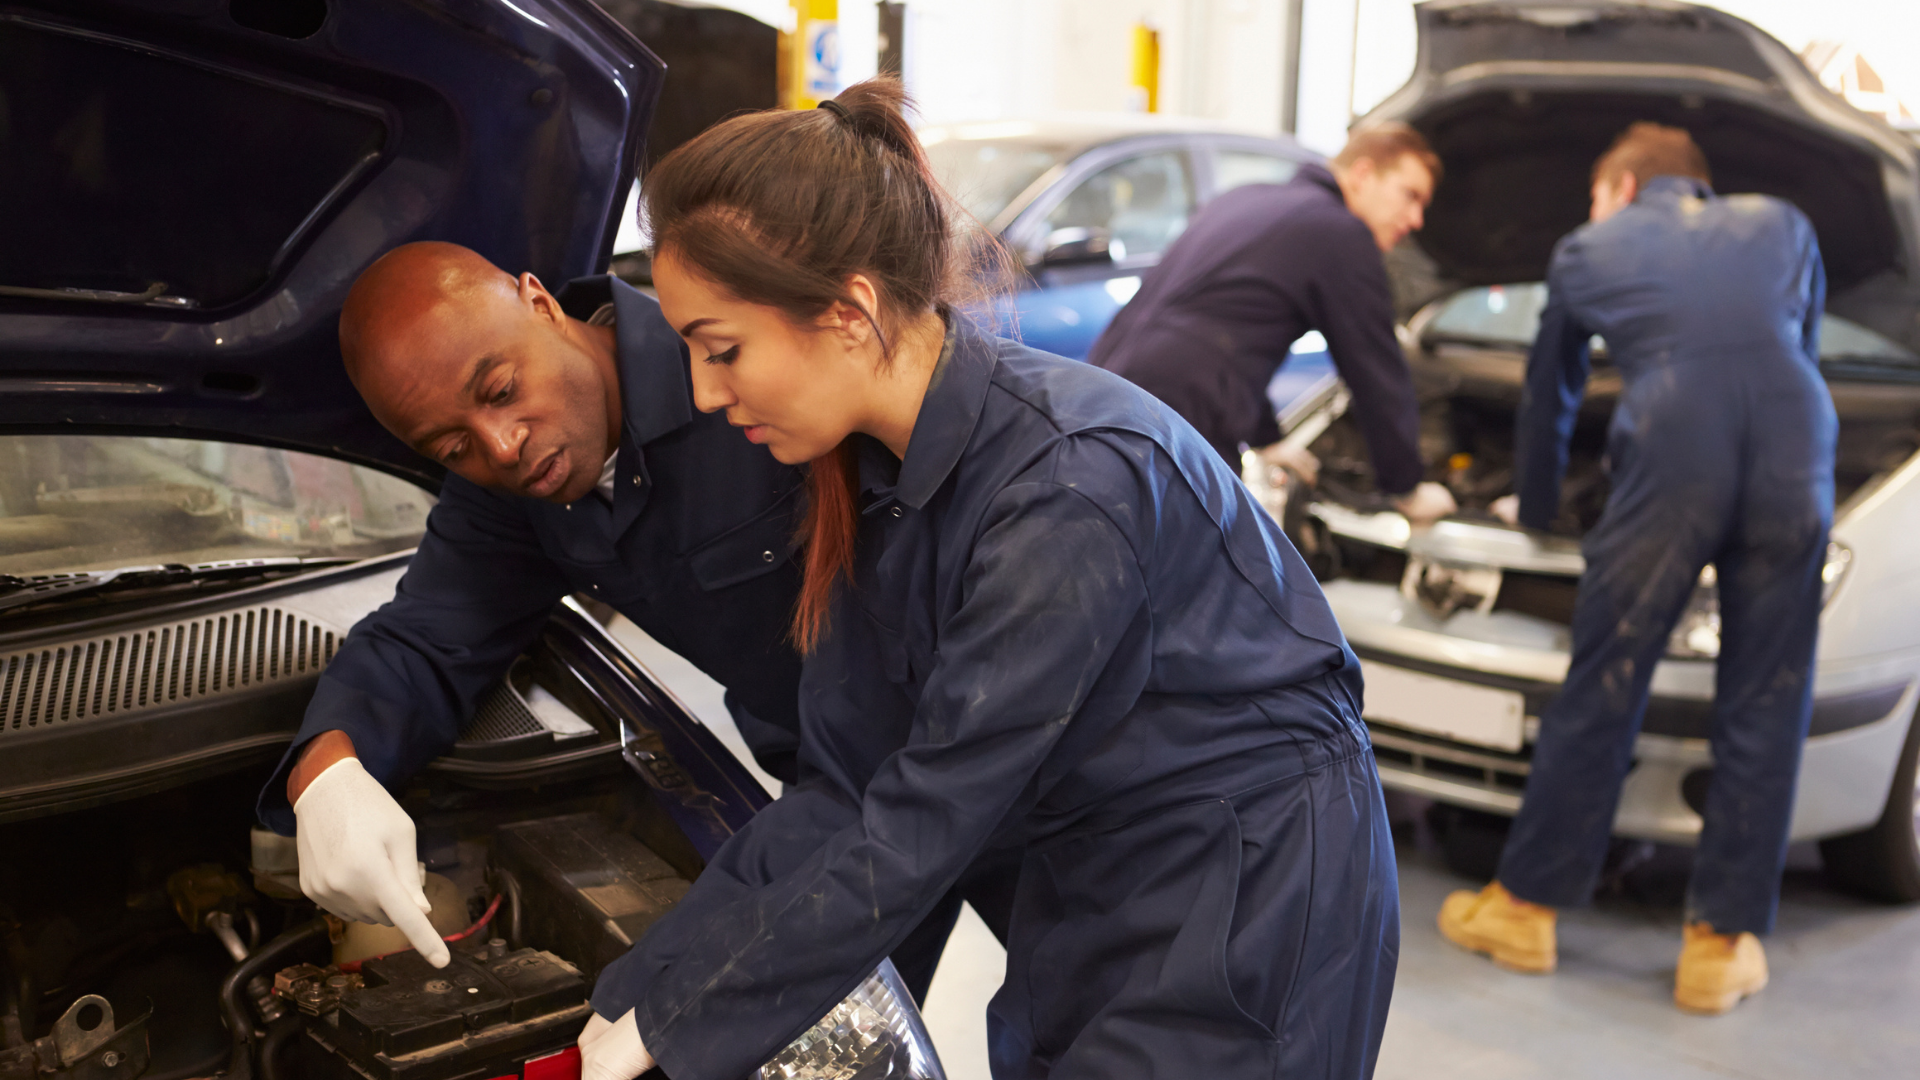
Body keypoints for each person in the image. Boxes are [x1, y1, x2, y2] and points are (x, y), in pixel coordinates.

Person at [572, 78, 1399, 1080]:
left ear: (847, 312)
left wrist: (681, 1023)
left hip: (1245, 886)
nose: (703, 392)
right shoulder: (875, 483)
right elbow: (846, 788)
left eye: (722, 349)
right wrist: (640, 993)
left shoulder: (1066, 487)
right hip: (1091, 872)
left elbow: (924, 815)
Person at [257, 242, 1015, 1001]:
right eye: (454, 447)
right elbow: (425, 636)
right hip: (844, 800)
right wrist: (328, 772)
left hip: (1019, 744)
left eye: (501, 388)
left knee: (1082, 1035)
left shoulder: (740, 367)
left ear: (540, 303)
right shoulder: (516, 499)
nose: (502, 446)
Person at [1444, 123, 1835, 1015]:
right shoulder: (1782, 222)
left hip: (1674, 447)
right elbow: (1798, 348)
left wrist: (1539, 513)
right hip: (1797, 446)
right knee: (1769, 692)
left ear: (1620, 188)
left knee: (1607, 678)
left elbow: (1554, 390)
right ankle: (1720, 947)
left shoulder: (1592, 245)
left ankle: (1527, 909)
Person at [1088, 123, 1456, 525]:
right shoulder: (1341, 234)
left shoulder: (1248, 198)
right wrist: (1407, 487)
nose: (1417, 219)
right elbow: (1374, 368)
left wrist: (1267, 438)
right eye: (1410, 195)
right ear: (1363, 174)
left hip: (1106, 385)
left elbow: (1228, 330)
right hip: (1179, 416)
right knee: (1192, 566)